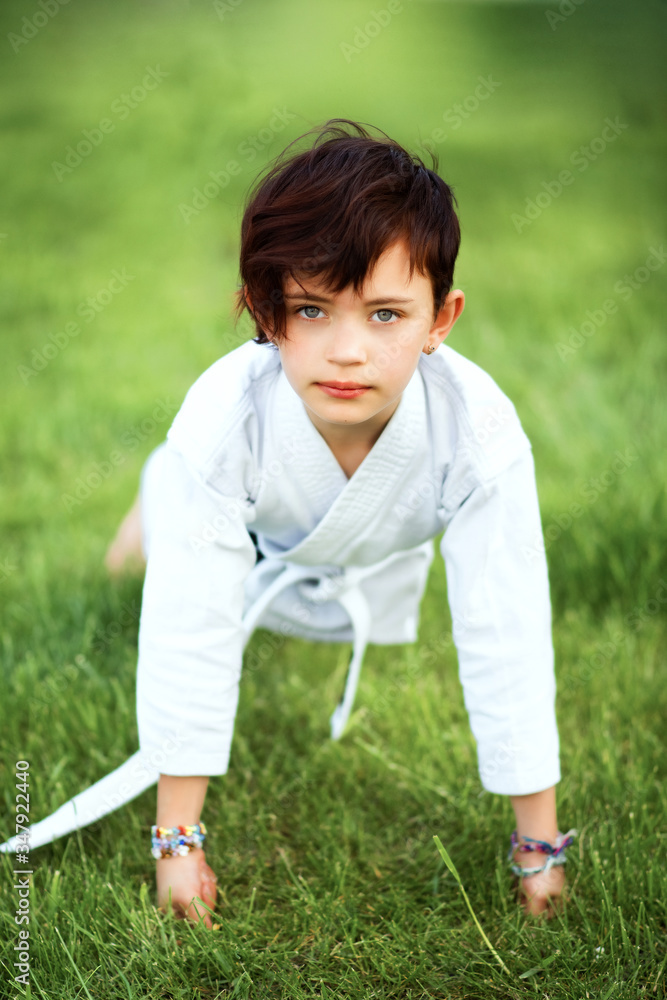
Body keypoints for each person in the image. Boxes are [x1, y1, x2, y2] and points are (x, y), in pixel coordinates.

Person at [3, 119, 575, 925]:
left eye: (384, 315)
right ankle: (151, 502)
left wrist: (537, 845)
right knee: (154, 540)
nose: (347, 351)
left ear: (440, 320)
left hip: (376, 539)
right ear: (265, 311)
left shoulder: (479, 434)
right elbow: (191, 626)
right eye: (311, 310)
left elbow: (505, 625)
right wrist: (178, 839)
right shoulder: (224, 416)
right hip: (228, 502)